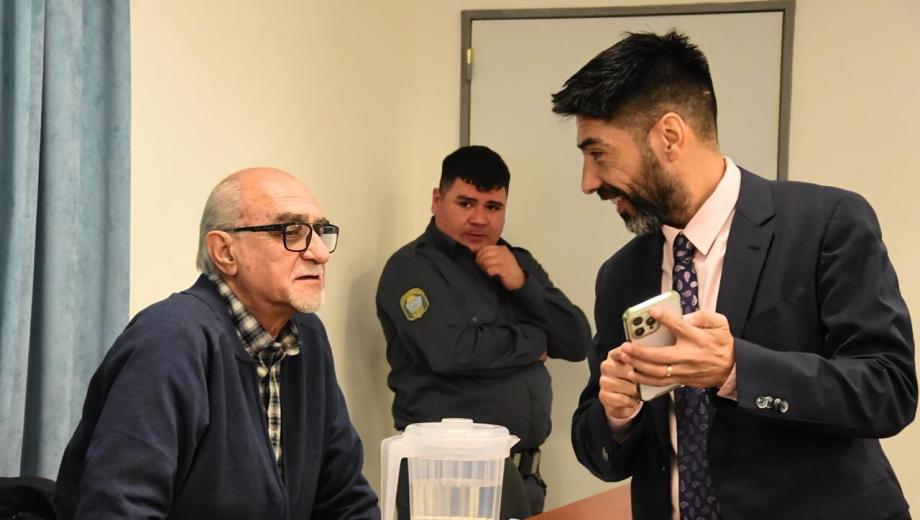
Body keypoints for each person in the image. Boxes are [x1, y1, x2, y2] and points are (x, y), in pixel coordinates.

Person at [551, 31, 916, 520]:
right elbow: (600, 445)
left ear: (670, 136)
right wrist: (616, 416)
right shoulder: (619, 275)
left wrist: (736, 370)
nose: (588, 181)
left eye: (598, 153)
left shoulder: (827, 222)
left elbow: (888, 389)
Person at [53, 168, 379, 519]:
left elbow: (345, 500)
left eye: (321, 231)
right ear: (225, 251)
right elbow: (118, 509)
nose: (319, 253)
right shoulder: (170, 339)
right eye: (291, 231)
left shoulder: (307, 338)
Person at [375, 145, 591, 518]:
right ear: (437, 200)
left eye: (493, 207)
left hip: (522, 476)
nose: (479, 218)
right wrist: (535, 340)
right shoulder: (411, 269)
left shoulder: (515, 261)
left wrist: (523, 283)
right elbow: (451, 351)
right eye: (466, 203)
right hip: (447, 480)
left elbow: (575, 340)